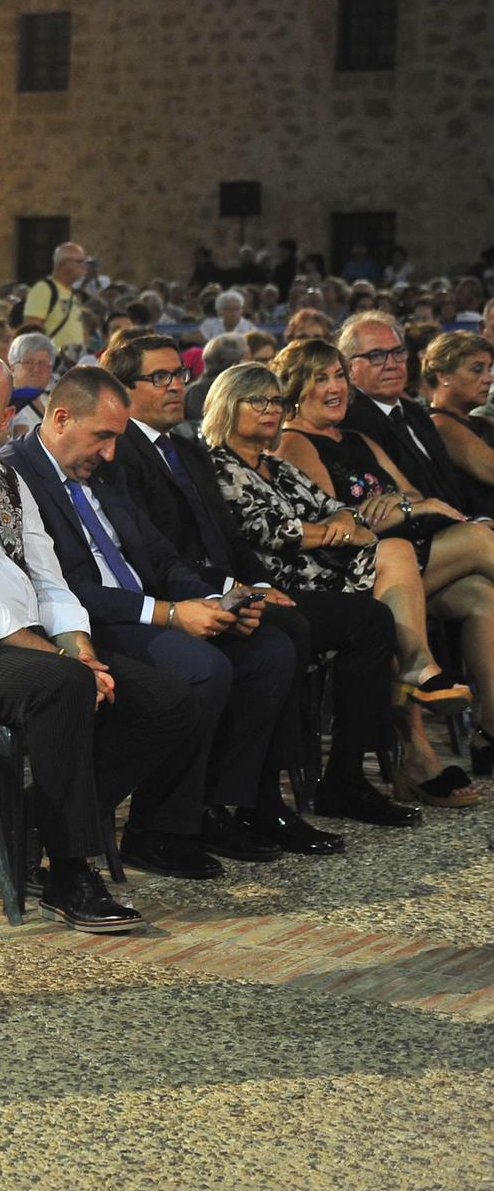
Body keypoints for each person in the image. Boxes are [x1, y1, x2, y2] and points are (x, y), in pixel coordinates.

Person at [0, 350, 201, 931]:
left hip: (13, 648)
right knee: (63, 685)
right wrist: (61, 661)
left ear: (5, 421)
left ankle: (28, 819)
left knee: (168, 702)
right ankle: (70, 870)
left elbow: (48, 578)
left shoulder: (7, 479)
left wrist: (82, 650)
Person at [99, 332, 410, 834]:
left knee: (349, 621)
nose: (176, 386)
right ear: (122, 387)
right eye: (159, 377)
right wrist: (229, 587)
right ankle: (251, 802)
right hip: (174, 592)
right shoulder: (121, 451)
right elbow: (151, 549)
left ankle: (311, 786)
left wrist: (256, 581)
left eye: (180, 374)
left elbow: (228, 536)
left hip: (226, 581)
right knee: (283, 634)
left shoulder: (183, 448)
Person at [2, 368, 299, 874]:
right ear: (60, 418)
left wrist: (220, 599)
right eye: (103, 436)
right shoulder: (16, 473)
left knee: (269, 650)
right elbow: (59, 587)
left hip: (143, 610)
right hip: (80, 625)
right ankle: (155, 829)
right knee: (202, 668)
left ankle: (209, 807)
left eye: (117, 439)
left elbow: (161, 559)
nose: (111, 452)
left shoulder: (103, 471)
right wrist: (168, 615)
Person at [203, 361, 472, 808]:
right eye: (257, 401)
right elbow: (270, 531)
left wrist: (338, 523)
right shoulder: (217, 466)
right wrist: (330, 529)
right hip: (278, 581)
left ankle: (411, 683)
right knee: (394, 557)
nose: (271, 410)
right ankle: (418, 669)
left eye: (275, 401)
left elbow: (344, 511)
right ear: (227, 406)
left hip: (325, 569)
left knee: (399, 576)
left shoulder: (276, 466)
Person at [271, 338, 494, 801]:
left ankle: (488, 732)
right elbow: (342, 525)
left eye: (338, 376)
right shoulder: (294, 442)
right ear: (296, 388)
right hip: (349, 573)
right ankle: (417, 751)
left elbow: (413, 494)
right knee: (474, 540)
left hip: (407, 562)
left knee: (479, 594)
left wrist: (399, 507)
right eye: (321, 378)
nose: (335, 387)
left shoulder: (357, 439)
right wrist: (404, 509)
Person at [420, 331, 494, 509]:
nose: (489, 379)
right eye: (477, 370)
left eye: (489, 369)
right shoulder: (438, 424)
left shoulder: (483, 422)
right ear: (443, 375)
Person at [20, 241, 88, 351]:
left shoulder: (72, 293)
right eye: (80, 262)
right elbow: (31, 329)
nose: (85, 267)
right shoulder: (44, 289)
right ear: (64, 264)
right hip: (53, 362)